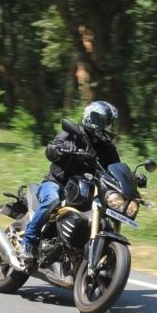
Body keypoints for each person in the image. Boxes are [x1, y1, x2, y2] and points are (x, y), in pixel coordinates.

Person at [19, 101, 122, 261]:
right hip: (56, 183)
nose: (109, 129)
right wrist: (60, 149)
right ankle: (29, 242)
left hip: (85, 191)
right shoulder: (73, 133)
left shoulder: (108, 149)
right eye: (106, 124)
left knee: (104, 215)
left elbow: (116, 168)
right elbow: (52, 149)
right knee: (52, 199)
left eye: (112, 125)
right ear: (93, 120)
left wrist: (131, 177)